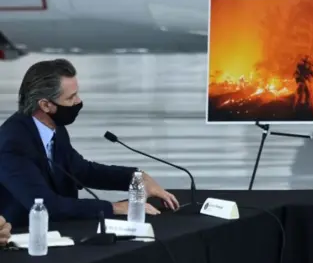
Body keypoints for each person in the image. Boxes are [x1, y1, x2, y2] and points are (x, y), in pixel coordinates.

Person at [0, 58, 180, 227]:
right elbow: (46, 205)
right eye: (71, 98)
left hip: (61, 231)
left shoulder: (53, 127)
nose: (78, 101)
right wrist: (114, 208)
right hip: (23, 239)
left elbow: (81, 171)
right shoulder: (12, 144)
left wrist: (136, 178)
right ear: (46, 105)